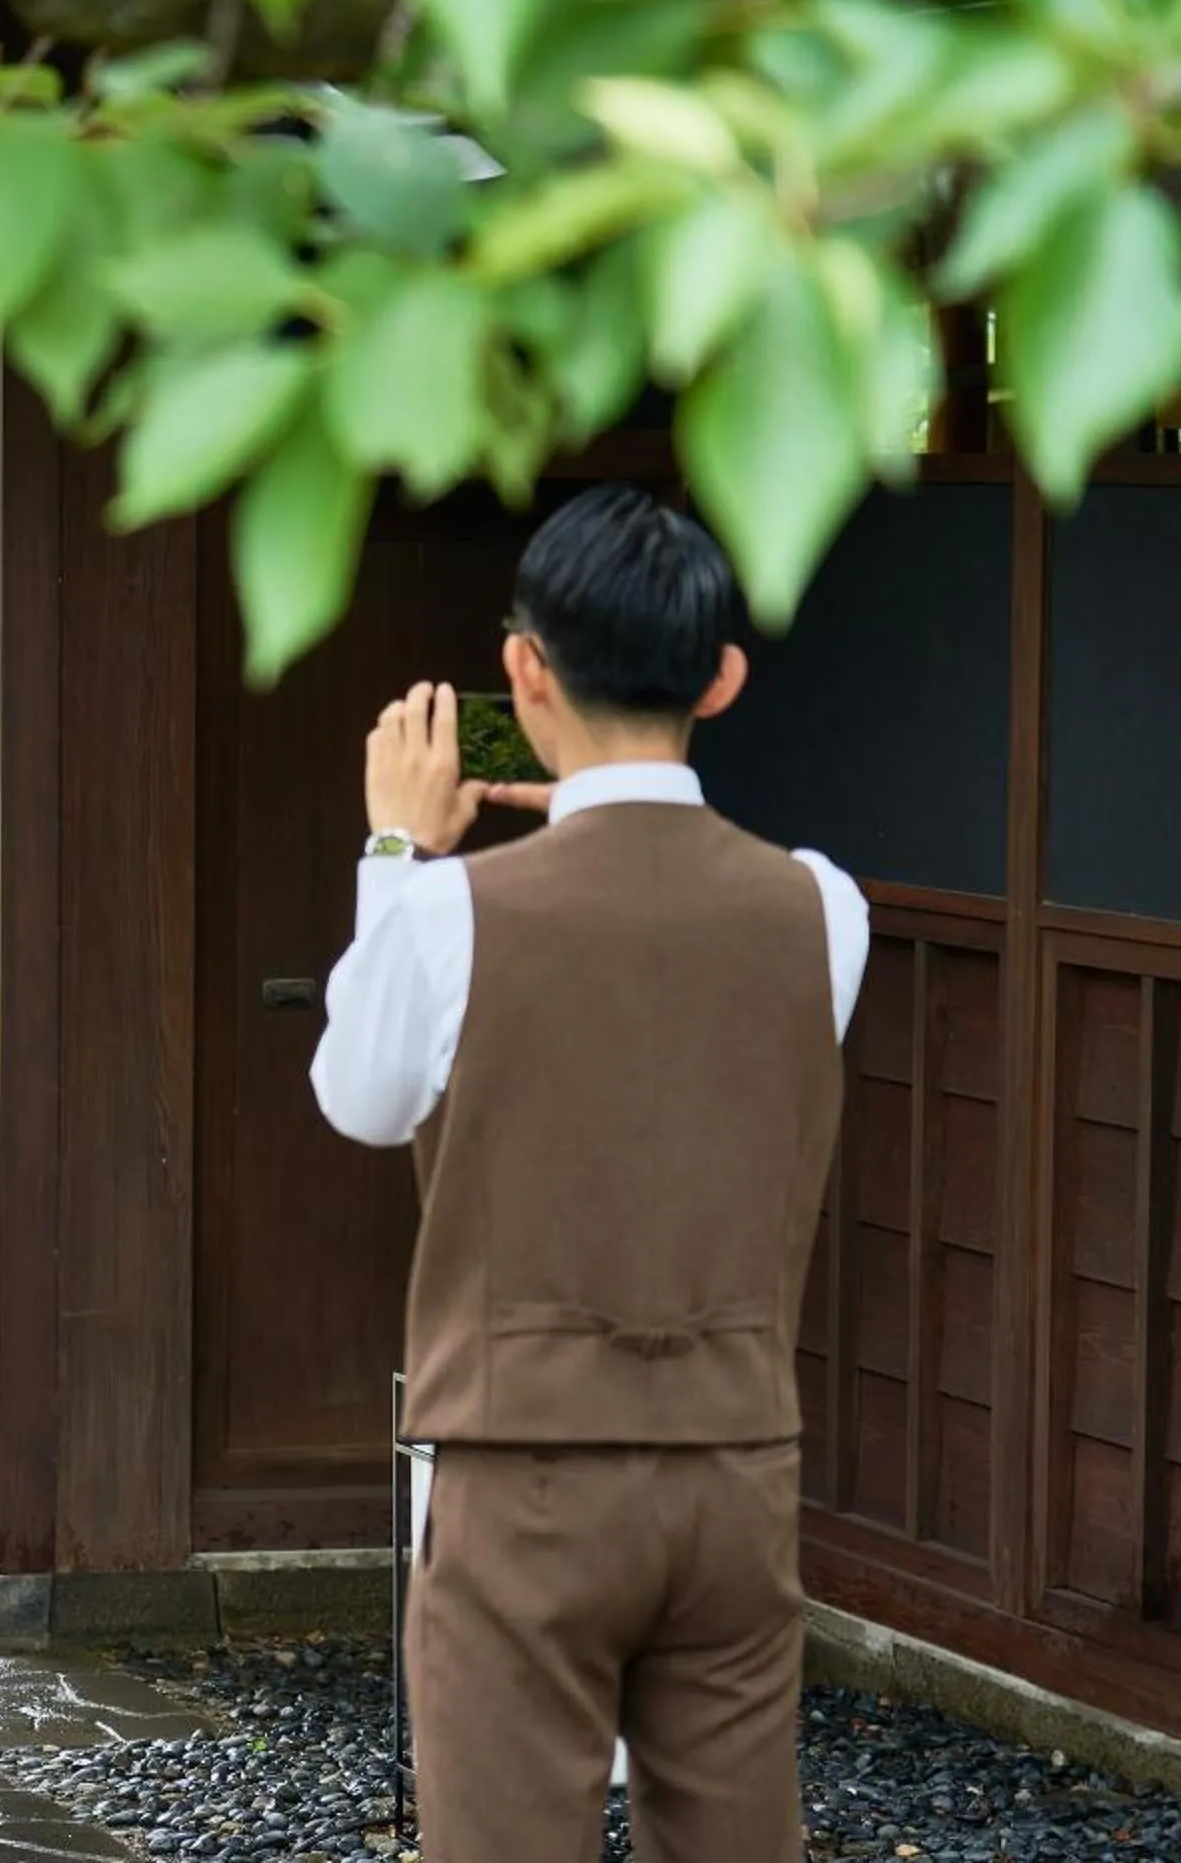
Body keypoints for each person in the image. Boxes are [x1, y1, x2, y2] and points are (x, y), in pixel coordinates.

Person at [309, 485, 868, 1863]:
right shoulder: (821, 905)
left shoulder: (448, 914)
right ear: (723, 679)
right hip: (738, 1467)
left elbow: (363, 1101)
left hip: (525, 1475)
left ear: (522, 671)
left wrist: (395, 850)